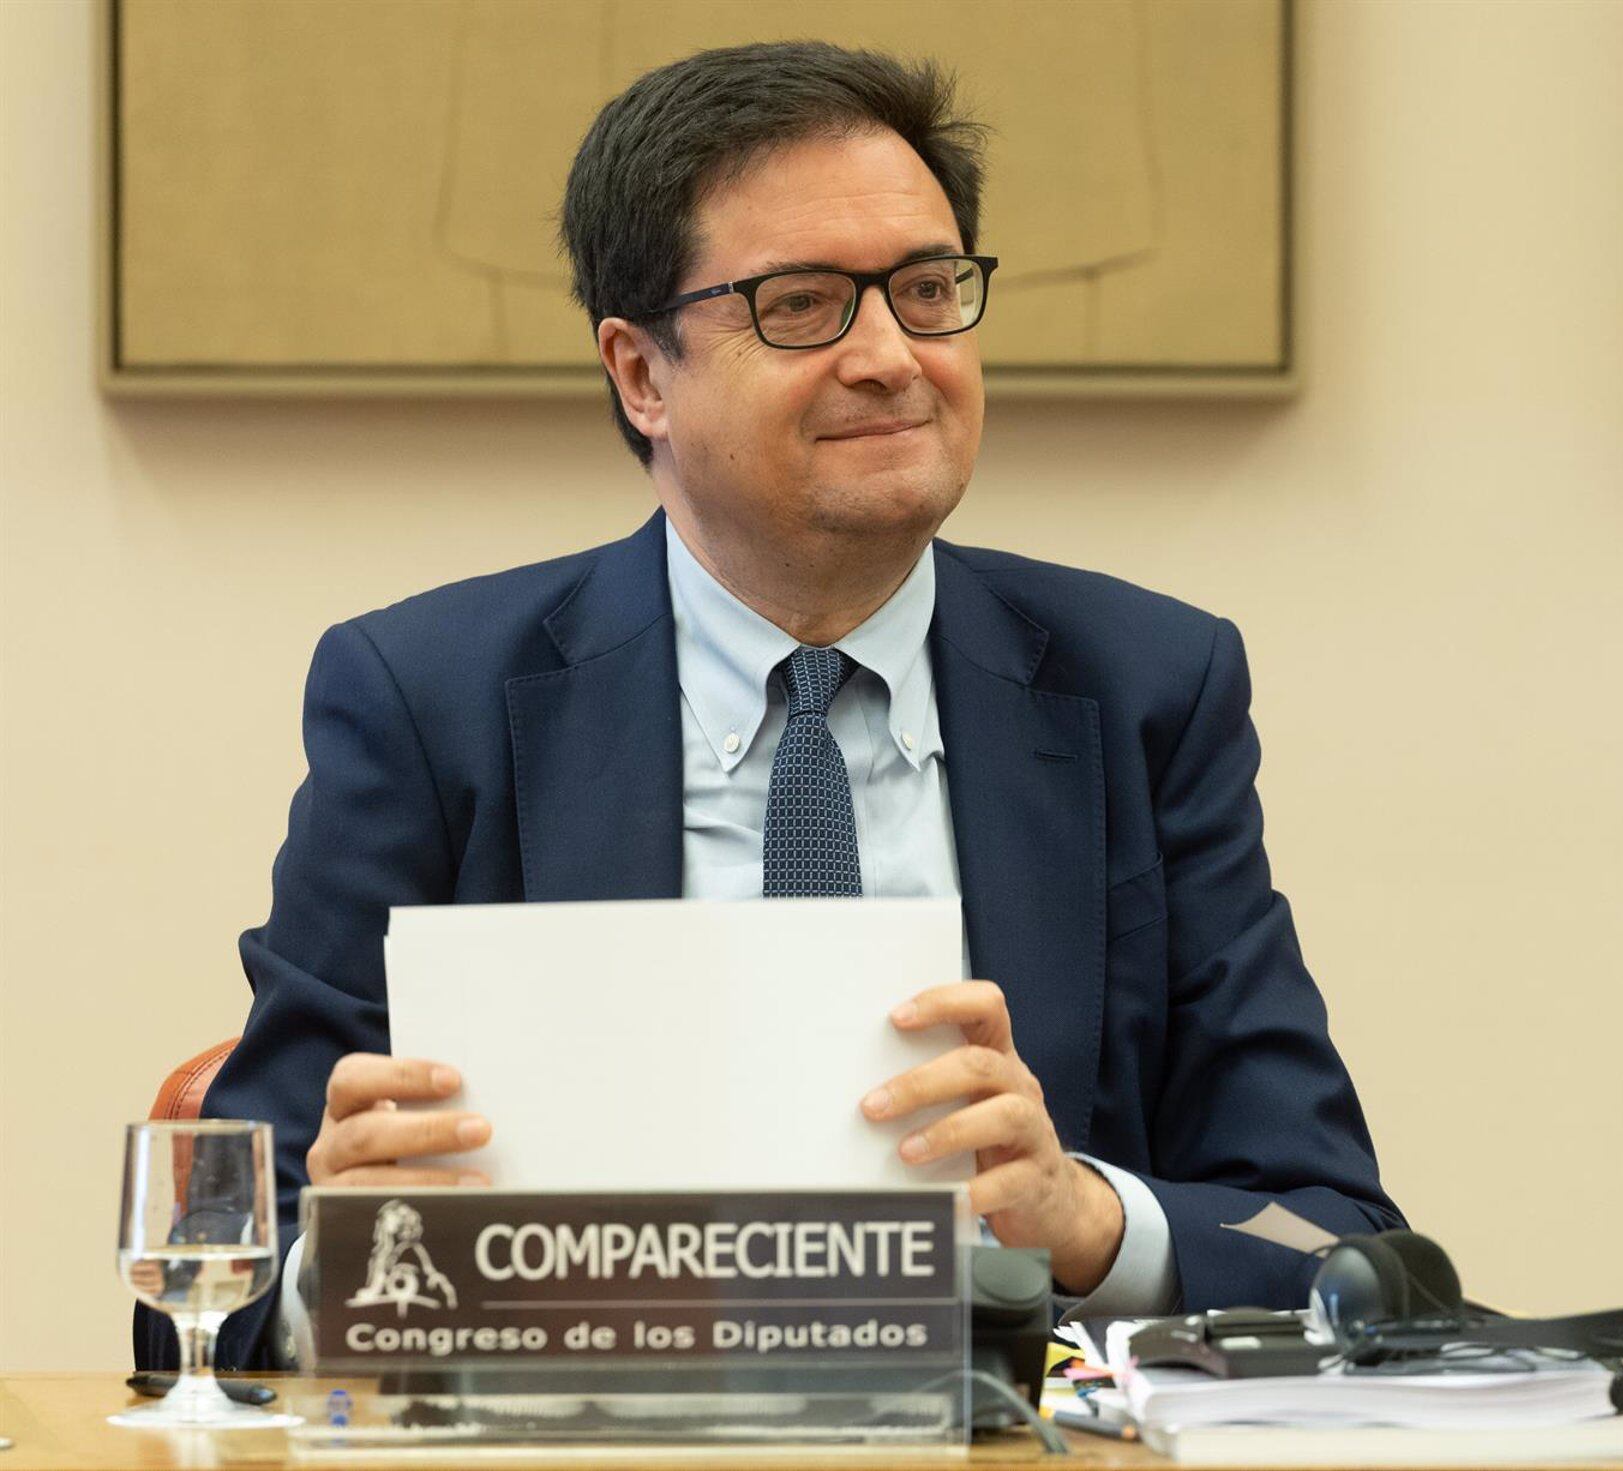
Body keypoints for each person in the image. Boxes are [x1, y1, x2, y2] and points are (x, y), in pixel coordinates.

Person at [136, 40, 1400, 1372]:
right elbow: (197, 1291)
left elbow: (1336, 1240)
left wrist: (1081, 1218)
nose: (892, 357)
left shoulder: (1146, 690)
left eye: (926, 290)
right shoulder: (427, 702)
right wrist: (337, 1256)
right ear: (641, 375)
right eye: (803, 304)